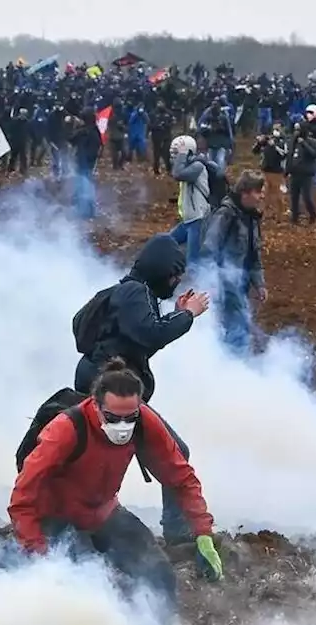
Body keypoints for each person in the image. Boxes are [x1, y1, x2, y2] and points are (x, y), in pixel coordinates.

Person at [9, 359, 222, 625]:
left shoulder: (145, 421)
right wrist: (36, 548)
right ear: (95, 406)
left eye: (129, 418)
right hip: (56, 516)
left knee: (160, 577)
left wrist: (203, 534)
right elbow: (23, 496)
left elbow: (181, 477)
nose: (123, 426)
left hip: (105, 512)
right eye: (113, 418)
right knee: (83, 588)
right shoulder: (66, 430)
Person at [72, 234, 209, 543]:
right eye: (174, 276)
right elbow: (151, 335)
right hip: (112, 393)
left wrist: (175, 313)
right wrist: (188, 315)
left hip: (101, 386)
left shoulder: (126, 293)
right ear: (162, 271)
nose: (175, 281)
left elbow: (140, 342)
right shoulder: (135, 293)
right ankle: (176, 532)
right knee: (176, 451)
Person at [200, 169, 267, 354]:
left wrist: (259, 284)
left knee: (236, 324)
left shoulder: (252, 217)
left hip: (241, 282)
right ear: (245, 192)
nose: (261, 196)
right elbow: (209, 247)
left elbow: (254, 254)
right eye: (258, 191)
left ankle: (226, 360)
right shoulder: (226, 214)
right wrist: (211, 280)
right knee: (240, 324)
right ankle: (235, 366)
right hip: (226, 281)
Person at [169, 134, 220, 264]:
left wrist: (182, 155)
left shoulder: (198, 166)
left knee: (193, 261)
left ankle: (198, 283)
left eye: (177, 152)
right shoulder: (190, 164)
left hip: (198, 220)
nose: (175, 156)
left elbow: (178, 174)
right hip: (188, 221)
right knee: (166, 243)